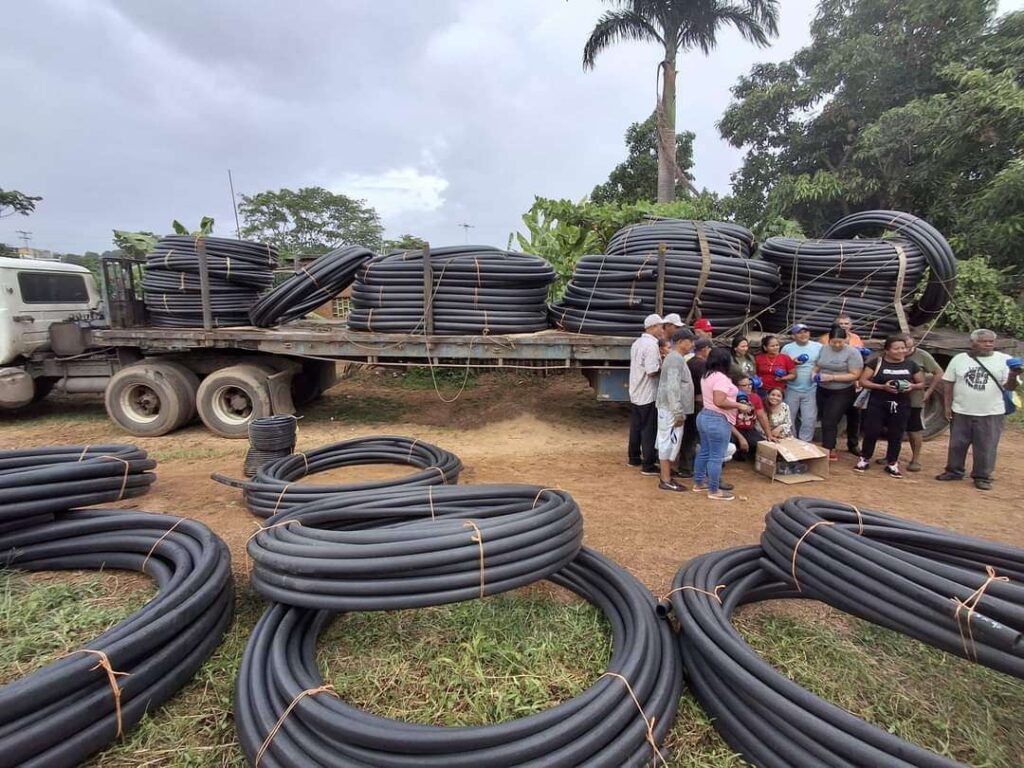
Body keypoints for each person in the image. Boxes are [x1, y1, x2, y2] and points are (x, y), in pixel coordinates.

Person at [936, 329, 1021, 491]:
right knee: (957, 444)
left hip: (991, 411)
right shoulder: (959, 359)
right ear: (972, 343)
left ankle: (982, 476)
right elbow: (948, 384)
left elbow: (1010, 387)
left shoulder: (1005, 360)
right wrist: (947, 406)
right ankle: (954, 471)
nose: (988, 345)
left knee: (986, 446)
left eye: (991, 342)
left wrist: (1012, 375)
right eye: (984, 341)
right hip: (961, 410)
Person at [854, 336, 924, 478]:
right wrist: (882, 387)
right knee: (872, 431)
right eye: (896, 348)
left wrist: (911, 386)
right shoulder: (876, 363)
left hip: (902, 404)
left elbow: (921, 383)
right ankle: (864, 458)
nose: (900, 351)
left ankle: (892, 463)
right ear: (887, 350)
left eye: (903, 348)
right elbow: (863, 381)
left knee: (896, 434)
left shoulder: (911, 365)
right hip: (878, 402)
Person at [693, 347, 753, 500]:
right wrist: (740, 406)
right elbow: (719, 401)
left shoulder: (707, 375)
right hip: (717, 419)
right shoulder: (721, 378)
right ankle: (714, 491)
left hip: (704, 416)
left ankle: (698, 483)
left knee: (705, 452)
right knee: (716, 456)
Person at [813, 326, 864, 461]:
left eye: (840, 342)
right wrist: (814, 373)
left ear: (845, 339)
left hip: (842, 390)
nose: (837, 345)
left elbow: (855, 375)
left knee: (830, 420)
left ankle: (829, 448)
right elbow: (818, 364)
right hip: (823, 389)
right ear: (829, 340)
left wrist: (833, 377)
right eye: (834, 342)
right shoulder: (824, 349)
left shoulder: (852, 353)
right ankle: (831, 445)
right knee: (824, 418)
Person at [655, 329, 696, 491]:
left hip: (670, 408)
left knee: (670, 442)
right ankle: (665, 479)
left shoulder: (676, 358)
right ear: (680, 342)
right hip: (670, 409)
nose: (692, 344)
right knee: (668, 442)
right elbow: (672, 387)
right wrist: (677, 411)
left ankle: (667, 476)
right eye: (689, 341)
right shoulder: (674, 359)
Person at [901, 334, 944, 472]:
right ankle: (891, 456)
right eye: (901, 348)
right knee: (893, 428)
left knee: (914, 430)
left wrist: (929, 391)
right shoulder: (892, 353)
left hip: (915, 398)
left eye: (908, 348)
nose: (904, 351)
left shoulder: (922, 356)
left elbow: (938, 373)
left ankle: (915, 459)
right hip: (895, 398)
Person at [628, 313, 663, 476]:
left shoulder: (637, 343)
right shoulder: (651, 346)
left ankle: (634, 457)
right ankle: (648, 464)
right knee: (649, 429)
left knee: (636, 427)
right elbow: (651, 371)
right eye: (660, 326)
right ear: (652, 327)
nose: (662, 330)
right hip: (648, 393)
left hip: (636, 391)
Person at [677, 338, 712, 477]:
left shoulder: (689, 362)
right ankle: (688, 467)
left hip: (688, 402)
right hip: (699, 402)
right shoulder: (702, 365)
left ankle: (685, 466)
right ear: (704, 349)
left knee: (688, 434)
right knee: (695, 436)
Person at [781, 323, 823, 441]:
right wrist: (792, 362)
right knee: (789, 417)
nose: (803, 334)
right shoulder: (787, 348)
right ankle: (791, 441)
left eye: (806, 331)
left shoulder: (818, 347)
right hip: (791, 388)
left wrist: (816, 373)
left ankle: (806, 442)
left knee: (809, 418)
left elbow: (822, 363)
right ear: (794, 335)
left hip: (811, 388)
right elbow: (782, 366)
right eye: (799, 332)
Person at [732, 374, 774, 461]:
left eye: (750, 384)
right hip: (732, 430)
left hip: (749, 429)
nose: (749, 387)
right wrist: (741, 438)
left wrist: (769, 435)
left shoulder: (755, 397)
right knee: (730, 445)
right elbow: (726, 422)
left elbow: (762, 416)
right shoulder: (730, 398)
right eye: (744, 385)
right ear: (736, 386)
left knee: (761, 446)